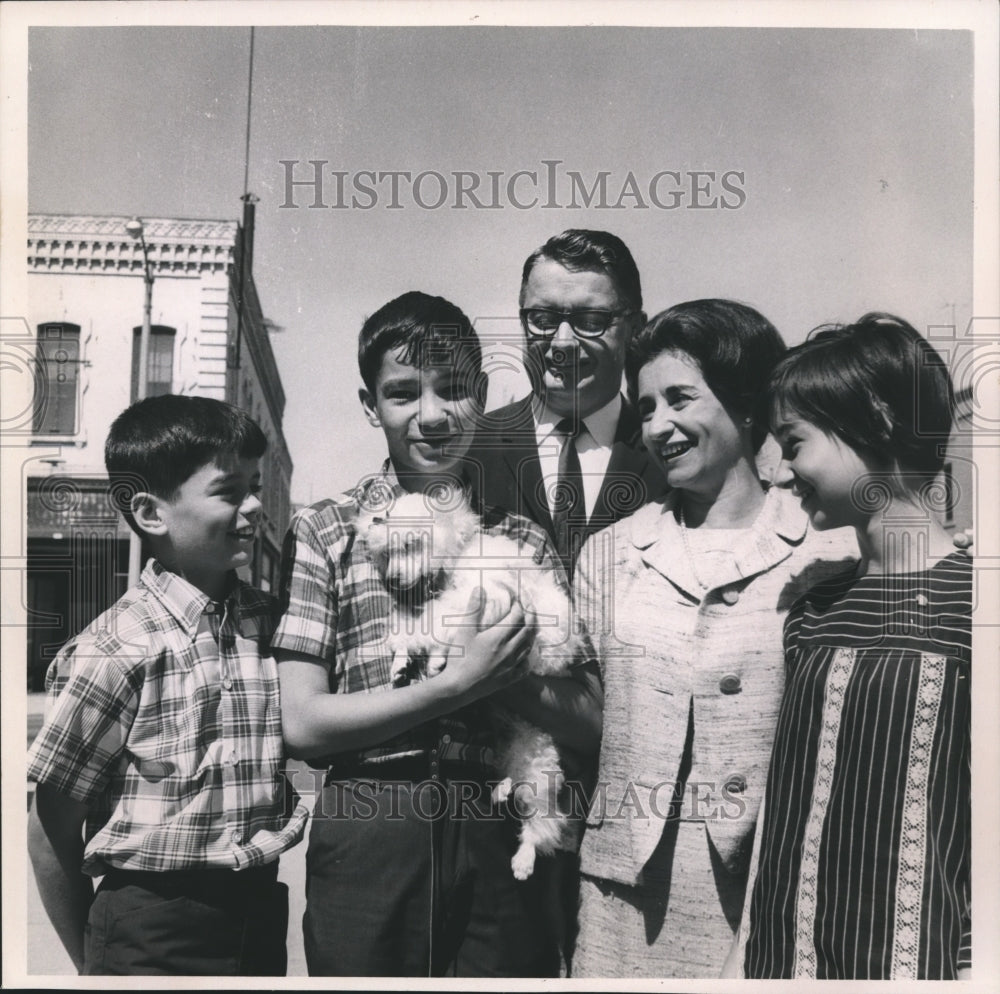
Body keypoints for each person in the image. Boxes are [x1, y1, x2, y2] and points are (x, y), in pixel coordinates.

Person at [272, 290, 602, 977]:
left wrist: (507, 681)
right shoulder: (327, 532)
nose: (430, 415)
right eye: (402, 393)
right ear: (370, 406)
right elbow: (302, 722)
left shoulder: (520, 539)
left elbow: (590, 718)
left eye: (452, 390)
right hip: (371, 817)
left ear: (480, 396)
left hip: (496, 814)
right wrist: (457, 684)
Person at [570, 299, 857, 978]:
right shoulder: (609, 554)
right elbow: (586, 717)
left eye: (679, 399)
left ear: (745, 405)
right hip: (620, 906)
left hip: (768, 896)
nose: (658, 426)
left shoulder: (829, 548)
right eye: (645, 409)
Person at [26, 394, 308, 976]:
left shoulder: (271, 621)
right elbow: (50, 828)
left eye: (257, 485)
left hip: (257, 913)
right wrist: (96, 962)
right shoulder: (115, 648)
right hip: (149, 927)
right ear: (152, 513)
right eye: (230, 491)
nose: (255, 507)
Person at [728, 314, 971, 980]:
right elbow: (783, 815)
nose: (777, 472)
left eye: (794, 442)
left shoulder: (975, 607)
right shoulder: (812, 611)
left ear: (879, 419)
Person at [466, 229, 667, 579]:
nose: (562, 343)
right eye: (543, 319)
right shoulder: (468, 449)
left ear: (635, 330)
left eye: (591, 322)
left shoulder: (668, 452)